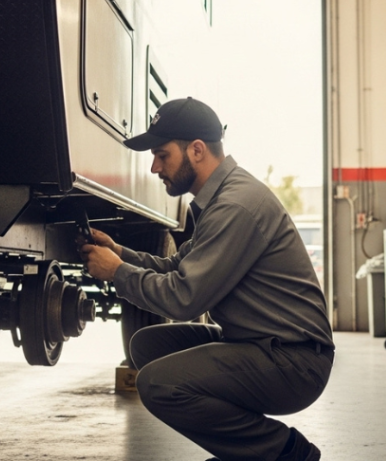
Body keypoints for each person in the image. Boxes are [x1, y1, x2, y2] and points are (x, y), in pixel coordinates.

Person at [80, 97, 334, 461]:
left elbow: (185, 299)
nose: (154, 167)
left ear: (196, 150)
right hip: (260, 344)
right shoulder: (219, 200)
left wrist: (116, 273)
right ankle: (244, 449)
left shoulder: (235, 205)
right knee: (146, 347)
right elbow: (177, 268)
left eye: (161, 154)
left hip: (294, 362)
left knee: (157, 383)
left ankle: (282, 452)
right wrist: (120, 253)